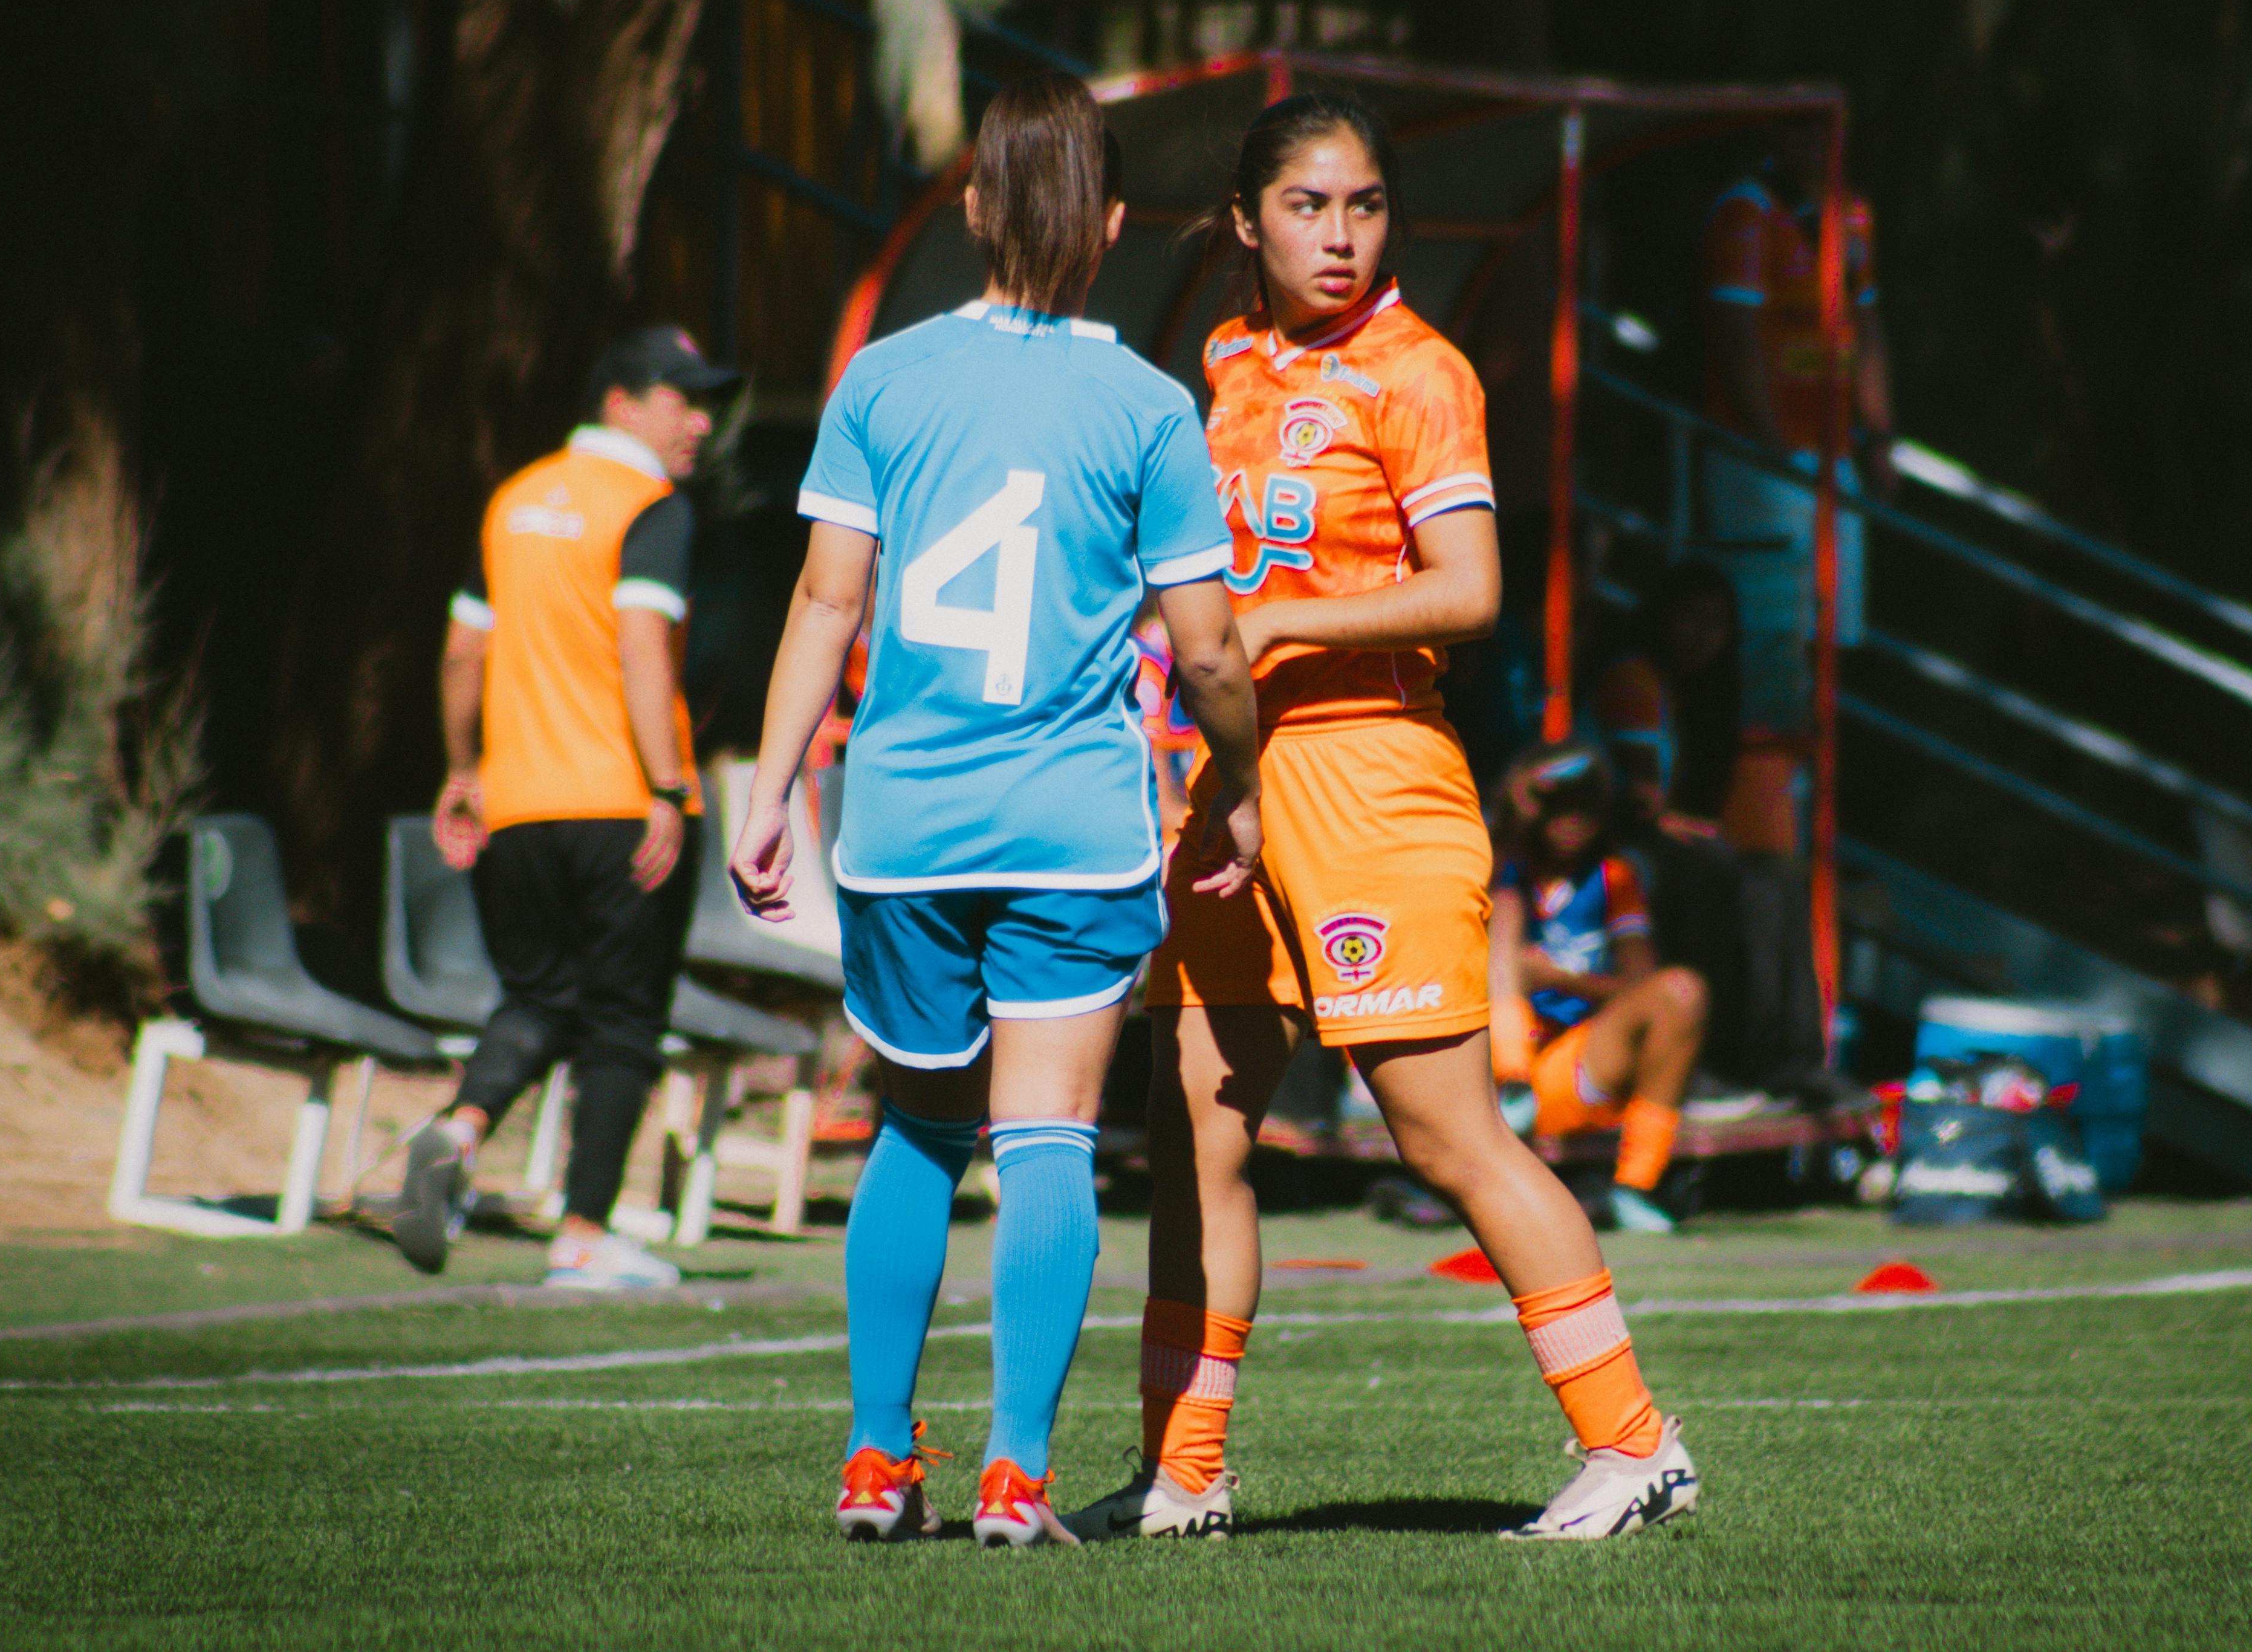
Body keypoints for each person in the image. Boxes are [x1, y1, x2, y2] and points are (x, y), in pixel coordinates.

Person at [1066, 92, 1698, 1546]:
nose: (1340, 236)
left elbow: (1469, 590)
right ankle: (1184, 1472)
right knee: (1198, 1133)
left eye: (1363, 206)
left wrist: (1276, 618)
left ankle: (1635, 1442)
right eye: (1307, 206)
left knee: (1447, 1137)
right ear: (1244, 221)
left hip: (1371, 778)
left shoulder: (1419, 369)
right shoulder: (1222, 360)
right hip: (1231, 781)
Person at [725, 75, 1266, 1545]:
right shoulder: (1150, 407)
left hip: (901, 823)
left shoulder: (884, 381)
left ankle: (873, 1456)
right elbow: (1209, 645)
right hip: (1073, 827)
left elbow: (827, 598)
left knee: (915, 1127)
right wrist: (1244, 780)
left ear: (971, 212)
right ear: (1109, 226)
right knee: (1047, 1139)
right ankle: (1015, 1472)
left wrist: (768, 792)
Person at [398, 325, 737, 1291]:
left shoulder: (512, 501)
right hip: (623, 803)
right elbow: (640, 645)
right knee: (624, 1021)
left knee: (540, 996)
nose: (702, 422)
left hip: (517, 805)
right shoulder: (649, 505)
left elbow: (465, 652)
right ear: (621, 403)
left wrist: (462, 770)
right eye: (684, 399)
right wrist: (670, 785)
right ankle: (585, 1235)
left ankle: (457, 1131)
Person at [1701, 135, 1890, 851]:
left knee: (1829, 635)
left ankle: (1814, 814)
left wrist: (1879, 434)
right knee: (1767, 633)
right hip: (1764, 461)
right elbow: (1736, 327)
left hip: (1833, 455)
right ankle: (1763, 820)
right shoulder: (1746, 209)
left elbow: (1867, 324)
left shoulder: (1854, 216)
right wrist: (1770, 442)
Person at [1485, 742, 1712, 1235]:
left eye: (1586, 807)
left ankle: (1635, 1184)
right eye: (1559, 806)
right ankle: (1512, 1079)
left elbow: (1642, 988)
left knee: (1682, 990)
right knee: (1502, 918)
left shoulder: (1612, 878)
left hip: (1578, 1064)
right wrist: (1527, 789)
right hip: (1487, 1075)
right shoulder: (1500, 868)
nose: (1573, 819)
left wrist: (1561, 980)